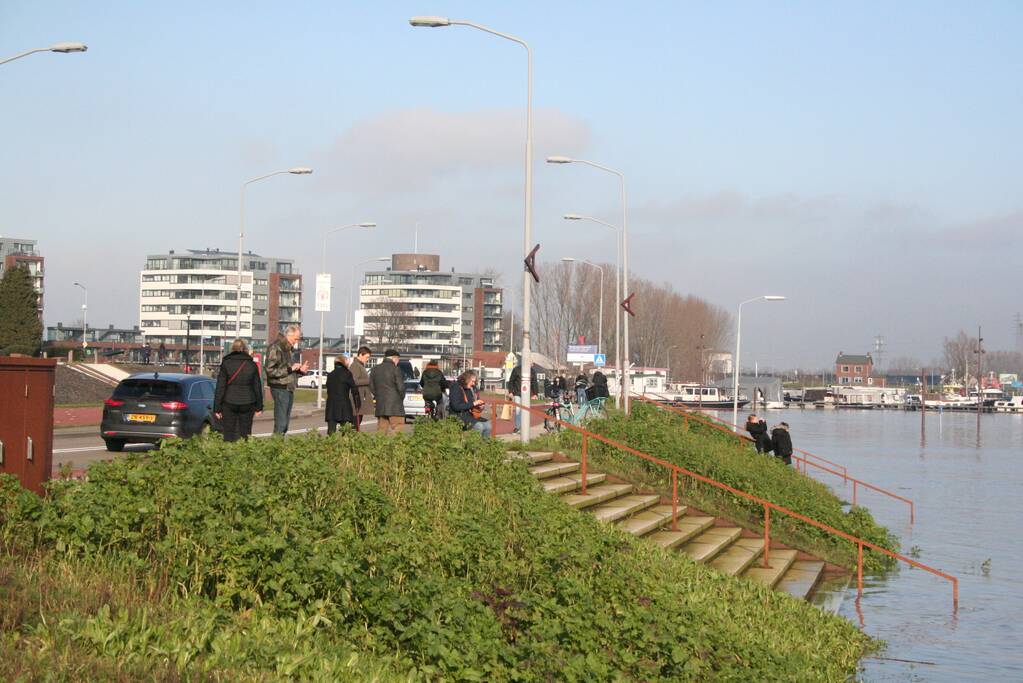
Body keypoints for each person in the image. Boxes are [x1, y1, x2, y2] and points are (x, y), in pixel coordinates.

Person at [213, 338, 263, 442]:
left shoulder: (226, 363)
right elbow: (257, 386)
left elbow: (220, 387)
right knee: (245, 433)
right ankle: (243, 453)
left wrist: (217, 408)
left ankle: (229, 454)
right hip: (248, 402)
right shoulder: (251, 364)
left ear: (233, 348)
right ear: (245, 349)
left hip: (229, 402)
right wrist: (259, 407)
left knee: (228, 432)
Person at [264, 324, 308, 434]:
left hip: (288, 388)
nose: (296, 341)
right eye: (296, 338)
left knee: (285, 424)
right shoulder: (276, 347)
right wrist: (290, 369)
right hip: (280, 388)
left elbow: (289, 371)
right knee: (281, 423)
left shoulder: (288, 349)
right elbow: (270, 370)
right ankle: (275, 448)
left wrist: (299, 371)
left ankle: (279, 446)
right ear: (289, 335)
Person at [369, 349, 406, 435]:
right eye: (398, 359)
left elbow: (371, 386)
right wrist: (400, 398)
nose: (398, 361)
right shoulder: (396, 369)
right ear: (394, 358)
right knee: (398, 428)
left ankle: (381, 448)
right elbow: (401, 388)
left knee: (381, 430)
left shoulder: (375, 369)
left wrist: (378, 395)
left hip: (381, 404)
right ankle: (394, 448)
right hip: (395, 406)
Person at [325, 355, 360, 435]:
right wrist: (357, 403)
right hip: (344, 405)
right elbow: (354, 389)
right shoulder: (347, 374)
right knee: (345, 431)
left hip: (331, 405)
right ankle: (343, 445)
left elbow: (328, 390)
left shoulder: (330, 375)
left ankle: (330, 446)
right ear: (344, 363)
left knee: (331, 431)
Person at [450, 369, 492, 437]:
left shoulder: (468, 388)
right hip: (458, 416)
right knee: (479, 426)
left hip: (468, 415)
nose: (473, 384)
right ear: (467, 379)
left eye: (474, 382)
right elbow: (456, 406)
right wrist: (473, 404)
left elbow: (470, 404)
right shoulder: (456, 387)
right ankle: (473, 446)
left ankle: (484, 446)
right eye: (472, 381)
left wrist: (479, 407)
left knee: (488, 426)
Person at [507, 363, 539, 434]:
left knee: (525, 411)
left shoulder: (532, 371)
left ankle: (525, 428)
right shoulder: (516, 369)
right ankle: (517, 428)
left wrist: (535, 394)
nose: (532, 364)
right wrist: (510, 392)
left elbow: (534, 383)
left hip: (527, 395)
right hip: (517, 393)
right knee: (518, 410)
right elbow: (511, 381)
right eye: (531, 362)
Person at [349, 346, 374, 431]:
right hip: (356, 400)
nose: (367, 360)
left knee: (357, 424)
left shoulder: (360, 365)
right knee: (355, 424)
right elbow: (353, 381)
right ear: (360, 355)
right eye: (367, 357)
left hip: (359, 398)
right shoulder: (356, 366)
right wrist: (368, 381)